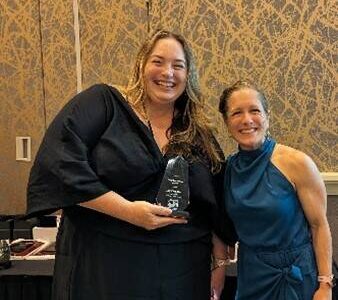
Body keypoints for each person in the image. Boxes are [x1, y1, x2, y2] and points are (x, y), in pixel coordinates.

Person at [26, 29, 235, 300]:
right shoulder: (103, 103)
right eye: (158, 62)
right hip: (105, 264)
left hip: (182, 269)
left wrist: (219, 263)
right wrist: (128, 212)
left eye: (178, 65)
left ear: (188, 75)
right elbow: (59, 163)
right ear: (141, 65)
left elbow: (212, 201)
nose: (167, 73)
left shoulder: (197, 131)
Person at [218, 80, 333, 300]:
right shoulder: (227, 170)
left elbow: (319, 226)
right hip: (251, 275)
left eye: (254, 110)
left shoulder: (298, 163)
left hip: (296, 276)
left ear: (267, 117)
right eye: (236, 113)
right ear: (227, 122)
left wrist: (325, 285)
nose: (247, 120)